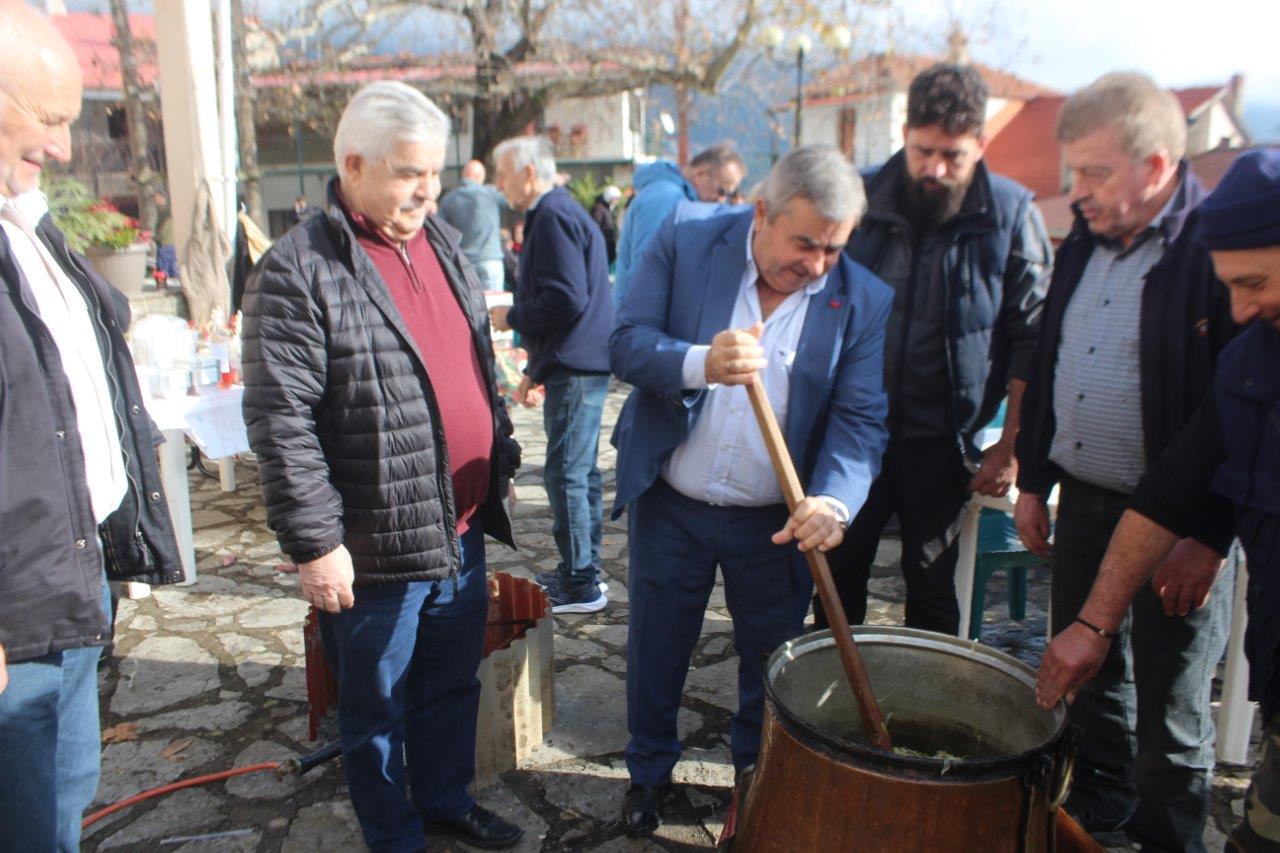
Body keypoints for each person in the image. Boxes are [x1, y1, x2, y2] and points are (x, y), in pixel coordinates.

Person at [241, 81, 524, 852]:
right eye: (409, 173)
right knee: (375, 707)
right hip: (374, 546)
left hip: (459, 528)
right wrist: (314, 542)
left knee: (451, 682)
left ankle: (443, 799)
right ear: (354, 165)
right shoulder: (298, 269)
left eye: (434, 173)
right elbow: (280, 419)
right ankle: (394, 834)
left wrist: (497, 447)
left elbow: (477, 364)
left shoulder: (442, 242)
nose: (427, 191)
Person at [609, 145, 892, 836]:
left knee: (770, 662)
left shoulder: (862, 298)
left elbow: (859, 420)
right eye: (805, 243)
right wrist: (699, 361)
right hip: (672, 503)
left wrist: (833, 502)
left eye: (833, 248)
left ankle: (753, 780)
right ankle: (648, 771)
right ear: (762, 212)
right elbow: (625, 342)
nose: (818, 265)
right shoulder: (686, 236)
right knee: (656, 646)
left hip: (775, 521)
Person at [1013, 72, 1239, 849]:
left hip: (1180, 527)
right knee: (1091, 680)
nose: (1077, 191)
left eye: (1095, 172)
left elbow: (1237, 412)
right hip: (1085, 501)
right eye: (1073, 171)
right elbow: (1050, 358)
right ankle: (1099, 817)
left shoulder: (1213, 249)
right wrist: (1034, 480)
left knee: (1171, 708)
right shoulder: (1082, 239)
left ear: (1156, 165)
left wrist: (1209, 534)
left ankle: (1169, 836)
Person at [0, 3, 183, 849]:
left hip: (68, 581)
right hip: (16, 613)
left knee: (62, 797)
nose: (66, 146)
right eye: (49, 119)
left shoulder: (25, 217)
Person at [821, 62, 1053, 635]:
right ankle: (833, 684)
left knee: (930, 584)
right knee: (835, 573)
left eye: (954, 156)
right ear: (905, 134)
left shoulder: (1011, 215)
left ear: (981, 144)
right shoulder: (858, 199)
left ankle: (928, 690)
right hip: (855, 432)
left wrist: (1011, 448)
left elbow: (1032, 341)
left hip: (943, 441)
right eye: (924, 151)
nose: (936, 168)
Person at [489, 135, 614, 614]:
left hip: (578, 365)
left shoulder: (554, 215)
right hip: (574, 361)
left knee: (567, 474)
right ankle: (581, 571)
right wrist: (534, 368)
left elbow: (566, 298)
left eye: (502, 174)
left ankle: (581, 581)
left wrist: (512, 316)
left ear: (527, 172)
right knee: (577, 471)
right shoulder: (558, 212)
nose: (499, 184)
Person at [612, 142, 745, 309]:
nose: (722, 200)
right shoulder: (666, 198)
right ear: (701, 175)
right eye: (722, 191)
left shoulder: (672, 196)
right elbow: (646, 273)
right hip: (640, 317)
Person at [438, 159, 509, 292]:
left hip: (464, 263)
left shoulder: (449, 199)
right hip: (490, 260)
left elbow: (440, 231)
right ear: (479, 177)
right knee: (495, 304)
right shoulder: (492, 194)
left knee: (469, 303)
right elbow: (515, 204)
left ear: (464, 175)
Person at [590, 184, 622, 266]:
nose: (617, 201)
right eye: (616, 198)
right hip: (603, 245)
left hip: (610, 244)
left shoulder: (610, 209)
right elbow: (595, 227)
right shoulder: (599, 209)